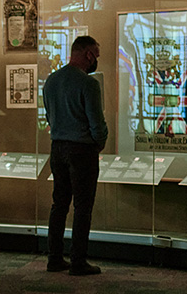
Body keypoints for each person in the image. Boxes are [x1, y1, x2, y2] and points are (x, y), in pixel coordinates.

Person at [44, 35, 107, 275]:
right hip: (82, 151)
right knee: (82, 207)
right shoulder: (88, 84)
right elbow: (96, 124)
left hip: (57, 148)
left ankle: (54, 258)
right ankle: (78, 261)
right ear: (88, 54)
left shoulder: (51, 80)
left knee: (59, 204)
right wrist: (99, 142)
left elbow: (50, 118)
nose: (96, 61)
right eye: (96, 56)